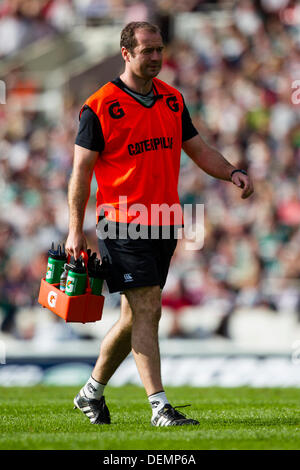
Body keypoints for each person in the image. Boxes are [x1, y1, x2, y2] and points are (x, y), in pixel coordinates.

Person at [65, 21, 254, 427]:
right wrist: (74, 229)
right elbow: (80, 173)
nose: (155, 57)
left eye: (159, 50)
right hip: (121, 224)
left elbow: (199, 149)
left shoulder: (171, 100)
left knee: (137, 316)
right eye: (147, 50)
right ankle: (159, 406)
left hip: (164, 223)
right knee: (149, 307)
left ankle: (90, 393)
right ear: (126, 53)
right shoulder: (98, 106)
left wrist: (231, 172)